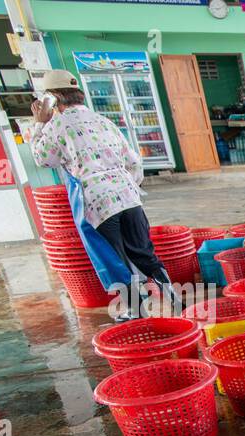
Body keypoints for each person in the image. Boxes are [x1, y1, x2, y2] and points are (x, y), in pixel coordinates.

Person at [29, 68, 177, 317]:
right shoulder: (103, 121)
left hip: (96, 203)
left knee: (114, 259)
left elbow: (42, 158)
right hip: (129, 198)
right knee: (143, 252)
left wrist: (38, 124)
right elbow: (133, 162)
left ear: (52, 99)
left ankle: (137, 313)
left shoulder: (57, 125)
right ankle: (174, 299)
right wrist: (124, 186)